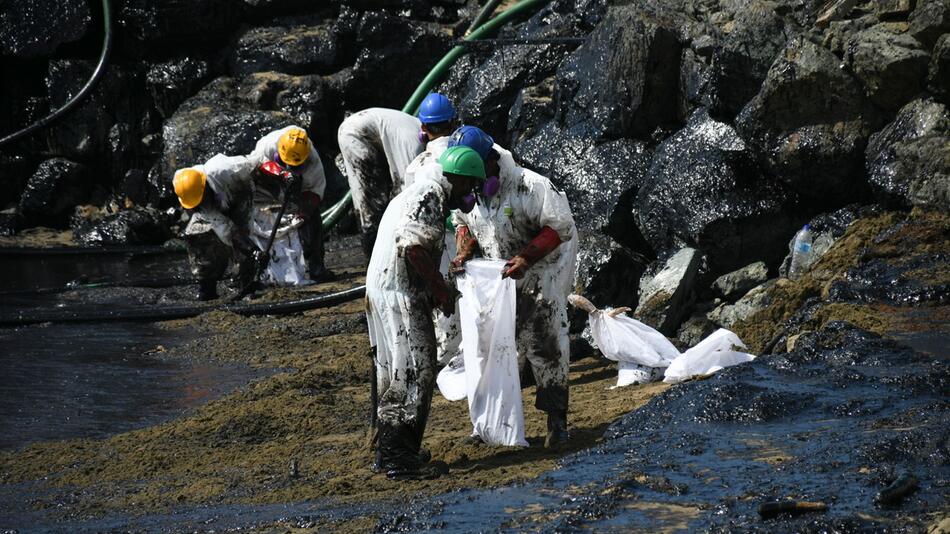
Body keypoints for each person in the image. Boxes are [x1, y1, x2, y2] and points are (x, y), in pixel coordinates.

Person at [449, 127, 578, 448]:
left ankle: (556, 422)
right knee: (490, 350)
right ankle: (490, 422)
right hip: (497, 278)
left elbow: (559, 227)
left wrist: (526, 257)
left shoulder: (529, 186)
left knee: (545, 345)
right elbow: (464, 224)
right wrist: (464, 251)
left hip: (539, 275)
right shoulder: (472, 192)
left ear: (489, 163)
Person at [366, 146, 485, 480]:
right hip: (400, 293)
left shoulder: (414, 191)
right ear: (458, 180)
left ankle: (390, 451)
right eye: (469, 186)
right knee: (414, 373)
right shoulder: (430, 195)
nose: (470, 194)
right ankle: (399, 461)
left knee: (392, 372)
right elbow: (413, 248)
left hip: (383, 289)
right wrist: (440, 290)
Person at [339, 93, 459, 261]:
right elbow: (406, 188)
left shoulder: (418, 133)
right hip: (356, 135)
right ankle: (377, 261)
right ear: (453, 123)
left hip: (367, 128)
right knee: (371, 205)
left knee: (381, 202)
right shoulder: (412, 144)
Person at [246, 125, 330, 282]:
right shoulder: (268, 145)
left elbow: (314, 191)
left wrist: (303, 214)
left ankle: (315, 266)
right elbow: (253, 165)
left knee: (312, 220)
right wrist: (279, 173)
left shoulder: (313, 161)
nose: (291, 167)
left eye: (296, 165)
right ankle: (250, 269)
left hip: (297, 189)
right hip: (266, 184)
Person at [173, 154, 258, 301]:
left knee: (244, 238)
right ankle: (207, 286)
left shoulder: (229, 170)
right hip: (217, 204)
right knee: (198, 232)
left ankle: (244, 284)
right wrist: (250, 248)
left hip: (240, 193)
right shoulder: (182, 184)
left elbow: (255, 165)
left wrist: (251, 250)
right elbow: (225, 228)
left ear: (204, 185)